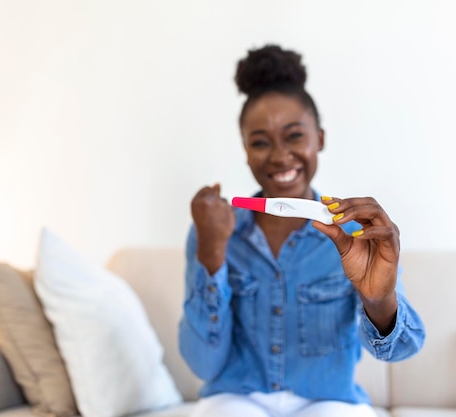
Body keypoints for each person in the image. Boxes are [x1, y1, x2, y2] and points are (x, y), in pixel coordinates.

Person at [179, 44, 425, 417]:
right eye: (260, 142)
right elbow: (202, 364)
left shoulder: (356, 232)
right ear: (245, 151)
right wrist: (212, 255)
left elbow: (403, 349)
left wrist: (378, 300)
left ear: (320, 139)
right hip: (236, 398)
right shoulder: (212, 231)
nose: (279, 156)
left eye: (294, 136)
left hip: (329, 400)